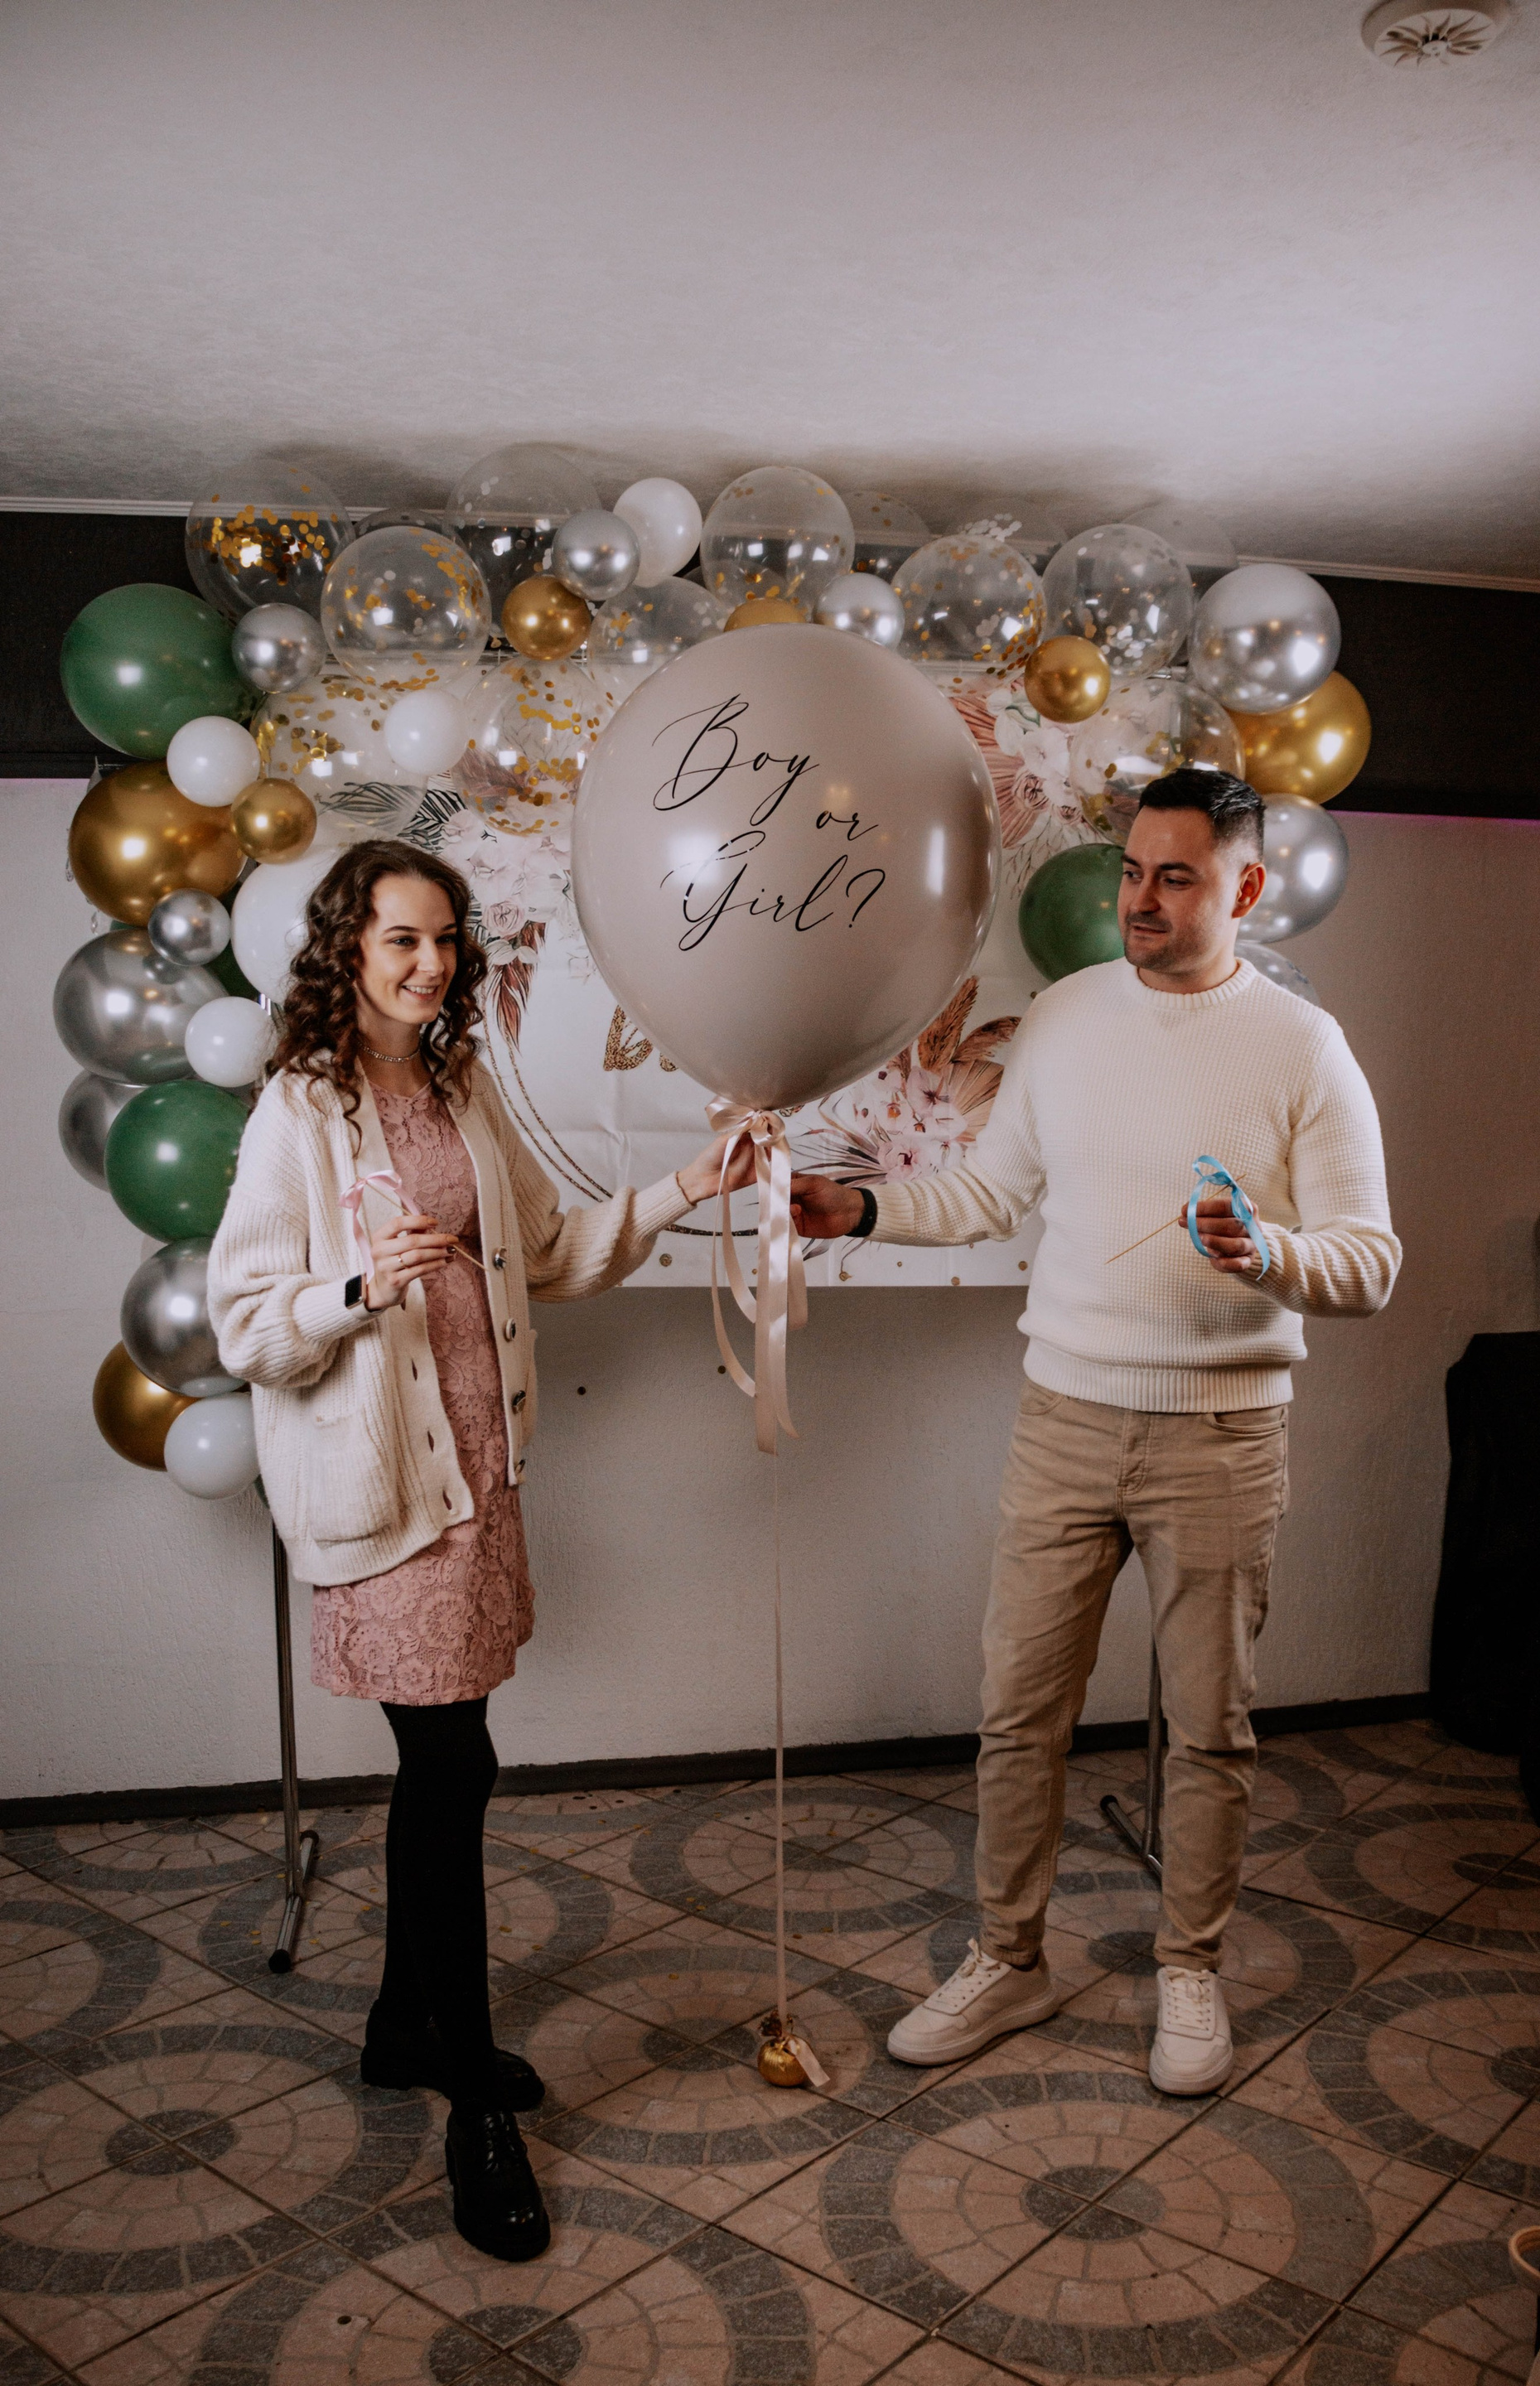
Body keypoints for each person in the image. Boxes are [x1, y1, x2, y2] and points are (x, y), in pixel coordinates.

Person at [788, 770, 1400, 2094]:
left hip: (1222, 1436)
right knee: (1018, 1717)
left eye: (1177, 877)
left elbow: (1371, 1263)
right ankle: (1009, 1960)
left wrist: (1270, 1253)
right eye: (1133, 871)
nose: (1141, 900)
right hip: (1064, 1419)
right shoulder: (1065, 1018)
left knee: (1210, 1727)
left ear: (1245, 888)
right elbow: (987, 1194)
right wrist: (863, 1209)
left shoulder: (1304, 1047)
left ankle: (1190, 1970)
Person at [209, 841, 745, 2263]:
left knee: (450, 1769)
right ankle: (473, 2113)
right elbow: (245, 1321)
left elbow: (549, 1254)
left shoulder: (459, 1087)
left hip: (479, 1472)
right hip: (387, 1485)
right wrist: (351, 1288)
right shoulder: (300, 1109)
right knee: (452, 1772)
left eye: (445, 939)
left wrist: (688, 1186)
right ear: (348, 948)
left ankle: (405, 2027)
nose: (430, 963)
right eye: (401, 939)